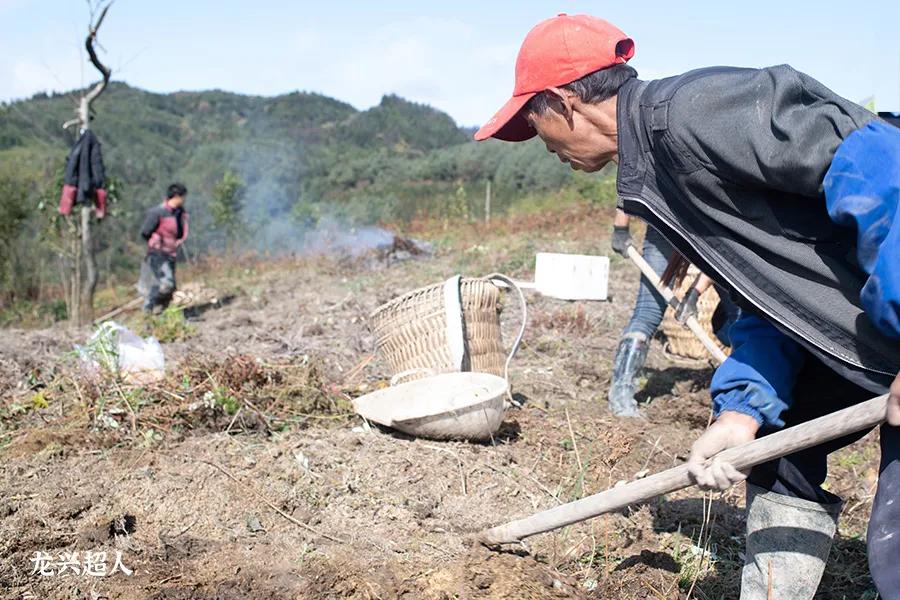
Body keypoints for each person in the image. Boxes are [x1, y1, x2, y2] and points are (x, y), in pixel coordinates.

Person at [473, 13, 900, 599]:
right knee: (778, 456)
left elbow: (881, 164)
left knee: (895, 553)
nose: (540, 141)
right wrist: (742, 410)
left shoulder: (696, 113)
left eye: (533, 119)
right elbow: (770, 298)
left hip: (891, 317)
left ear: (563, 101)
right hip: (857, 333)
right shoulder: (659, 175)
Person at [609, 209, 739, 417]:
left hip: (712, 230)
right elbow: (634, 179)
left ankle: (741, 393)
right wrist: (620, 227)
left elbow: (720, 255)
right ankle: (621, 394)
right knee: (648, 311)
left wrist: (694, 293)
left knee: (739, 315)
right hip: (666, 221)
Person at [139, 183, 189, 313]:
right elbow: (145, 232)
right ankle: (149, 307)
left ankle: (158, 313)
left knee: (168, 288)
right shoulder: (157, 212)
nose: (184, 200)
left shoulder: (179, 213)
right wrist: (156, 242)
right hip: (158, 253)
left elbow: (179, 232)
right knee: (167, 283)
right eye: (183, 197)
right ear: (176, 197)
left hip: (171, 253)